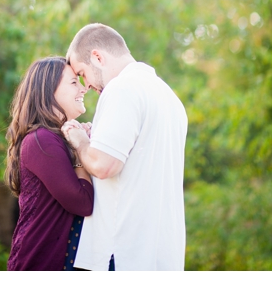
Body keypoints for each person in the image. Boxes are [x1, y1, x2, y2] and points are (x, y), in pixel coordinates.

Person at [61, 23, 187, 271]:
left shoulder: (122, 88)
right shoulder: (169, 97)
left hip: (123, 252)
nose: (85, 86)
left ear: (97, 57)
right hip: (163, 254)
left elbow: (104, 164)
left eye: (82, 73)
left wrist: (79, 140)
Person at [5, 56, 94, 271]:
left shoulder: (55, 138)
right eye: (74, 82)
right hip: (38, 264)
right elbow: (83, 203)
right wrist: (81, 151)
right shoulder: (41, 140)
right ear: (48, 91)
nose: (83, 89)